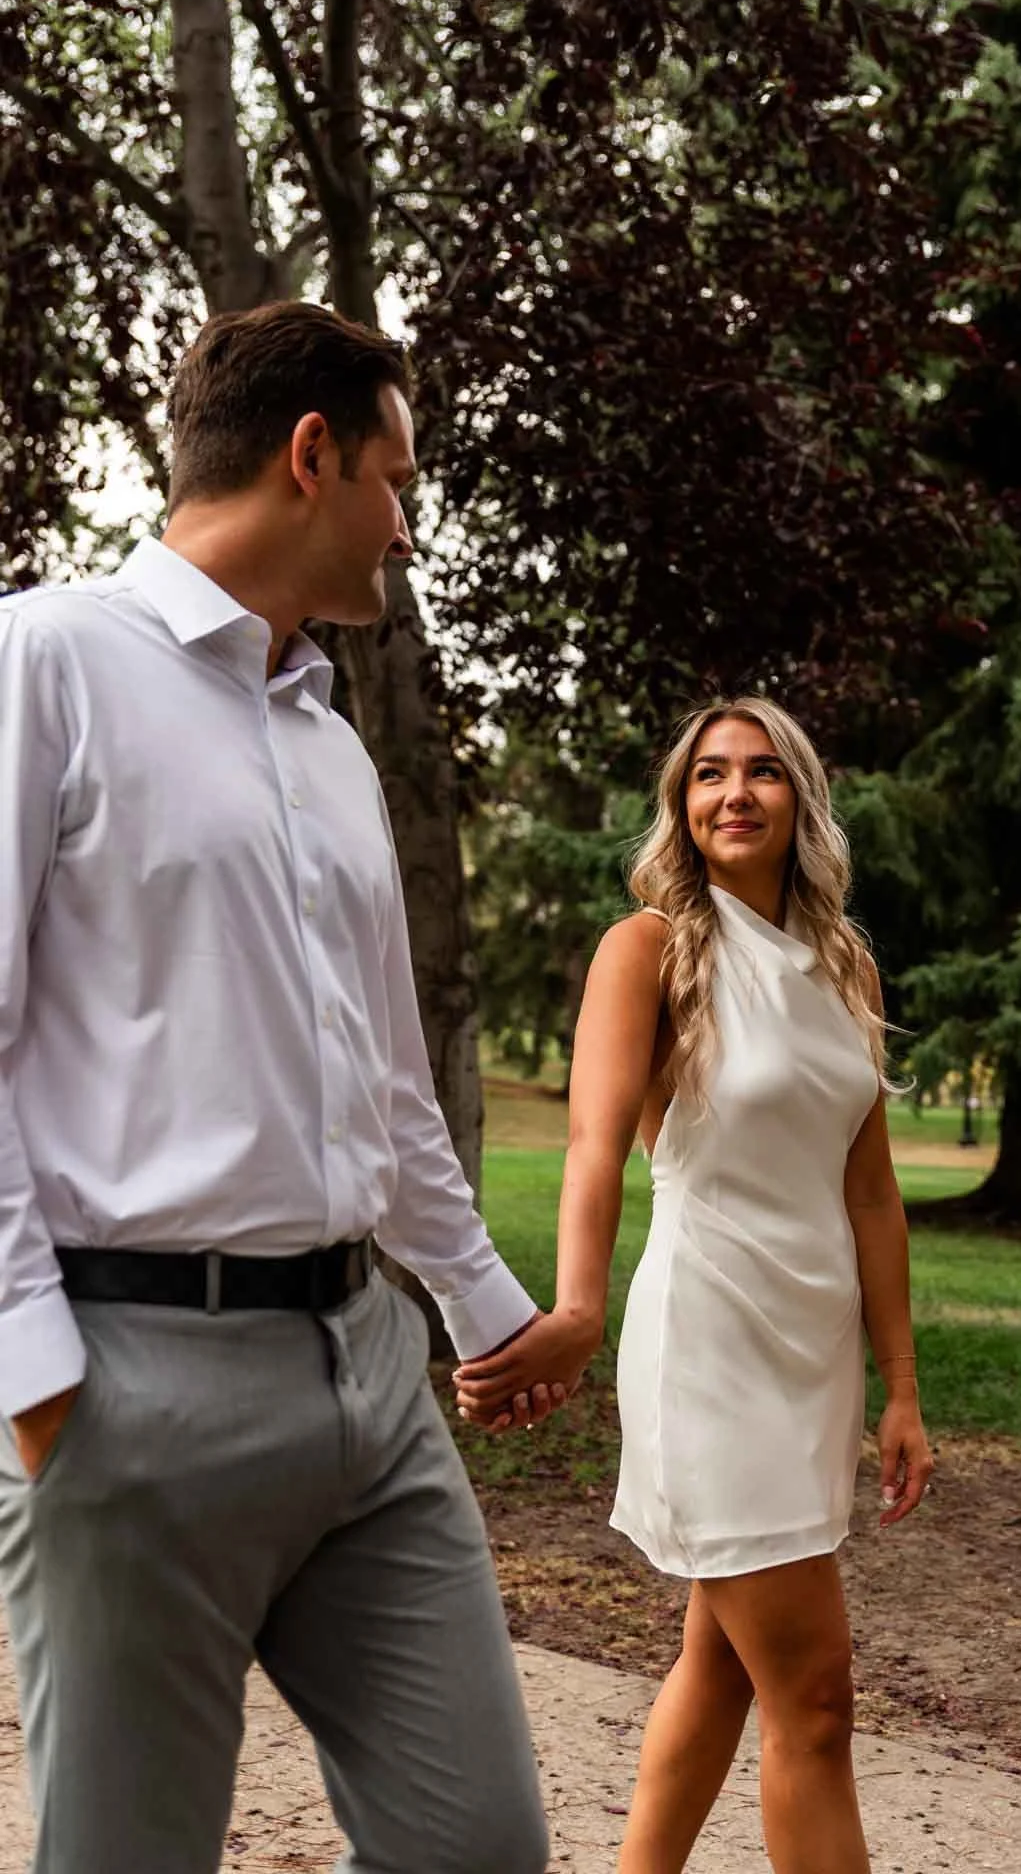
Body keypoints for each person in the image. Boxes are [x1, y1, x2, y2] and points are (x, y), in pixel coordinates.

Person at [0, 300, 556, 1874]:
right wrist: (36, 1370)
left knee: (479, 1849)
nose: (405, 525)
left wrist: (480, 1307)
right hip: (127, 1388)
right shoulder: (45, 660)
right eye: (397, 481)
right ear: (310, 458)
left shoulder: (327, 742)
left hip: (364, 1380)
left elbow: (383, 1084)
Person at [455, 696, 934, 1874]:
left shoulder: (844, 963)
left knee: (719, 1663)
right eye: (710, 774)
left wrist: (903, 1387)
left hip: (808, 1353)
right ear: (681, 804)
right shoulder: (650, 949)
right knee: (814, 1699)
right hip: (710, 1336)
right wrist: (575, 1308)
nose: (735, 793)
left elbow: (869, 1192)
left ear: (799, 801)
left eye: (763, 772)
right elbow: (591, 1143)